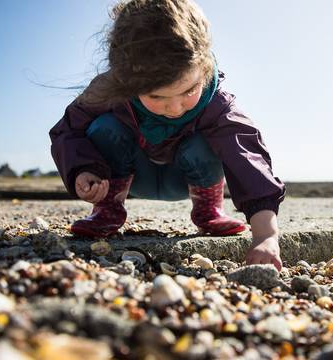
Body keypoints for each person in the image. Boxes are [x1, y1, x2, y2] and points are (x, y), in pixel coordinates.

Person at [49, 0, 285, 270]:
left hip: (184, 179)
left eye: (188, 91)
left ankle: (208, 211)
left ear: (204, 68)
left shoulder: (218, 106)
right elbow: (68, 130)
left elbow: (249, 160)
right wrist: (83, 170)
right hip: (131, 175)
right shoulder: (108, 91)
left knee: (210, 140)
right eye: (156, 96)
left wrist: (266, 236)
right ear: (125, 80)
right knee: (104, 127)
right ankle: (108, 210)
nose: (174, 108)